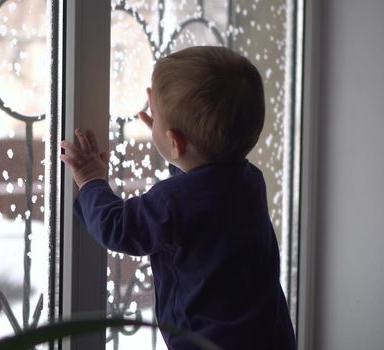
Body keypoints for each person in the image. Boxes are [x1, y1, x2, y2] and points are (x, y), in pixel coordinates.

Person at [60, 46, 296, 349]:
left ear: (174, 141)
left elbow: (119, 228)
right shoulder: (250, 181)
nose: (151, 118)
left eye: (154, 116)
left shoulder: (173, 202)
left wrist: (91, 179)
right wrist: (173, 144)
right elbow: (202, 187)